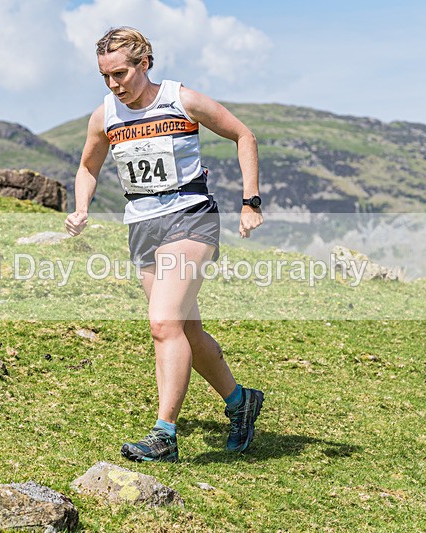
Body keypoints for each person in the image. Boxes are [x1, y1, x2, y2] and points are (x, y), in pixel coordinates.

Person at [64, 26, 264, 462]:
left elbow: (243, 135)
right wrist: (81, 206)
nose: (115, 84)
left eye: (121, 73)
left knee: (162, 324)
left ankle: (164, 435)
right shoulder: (105, 116)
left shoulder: (181, 99)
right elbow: (87, 166)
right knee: (184, 328)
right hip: (142, 226)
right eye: (106, 77)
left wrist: (250, 202)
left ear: (144, 64)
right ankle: (240, 401)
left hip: (191, 218)